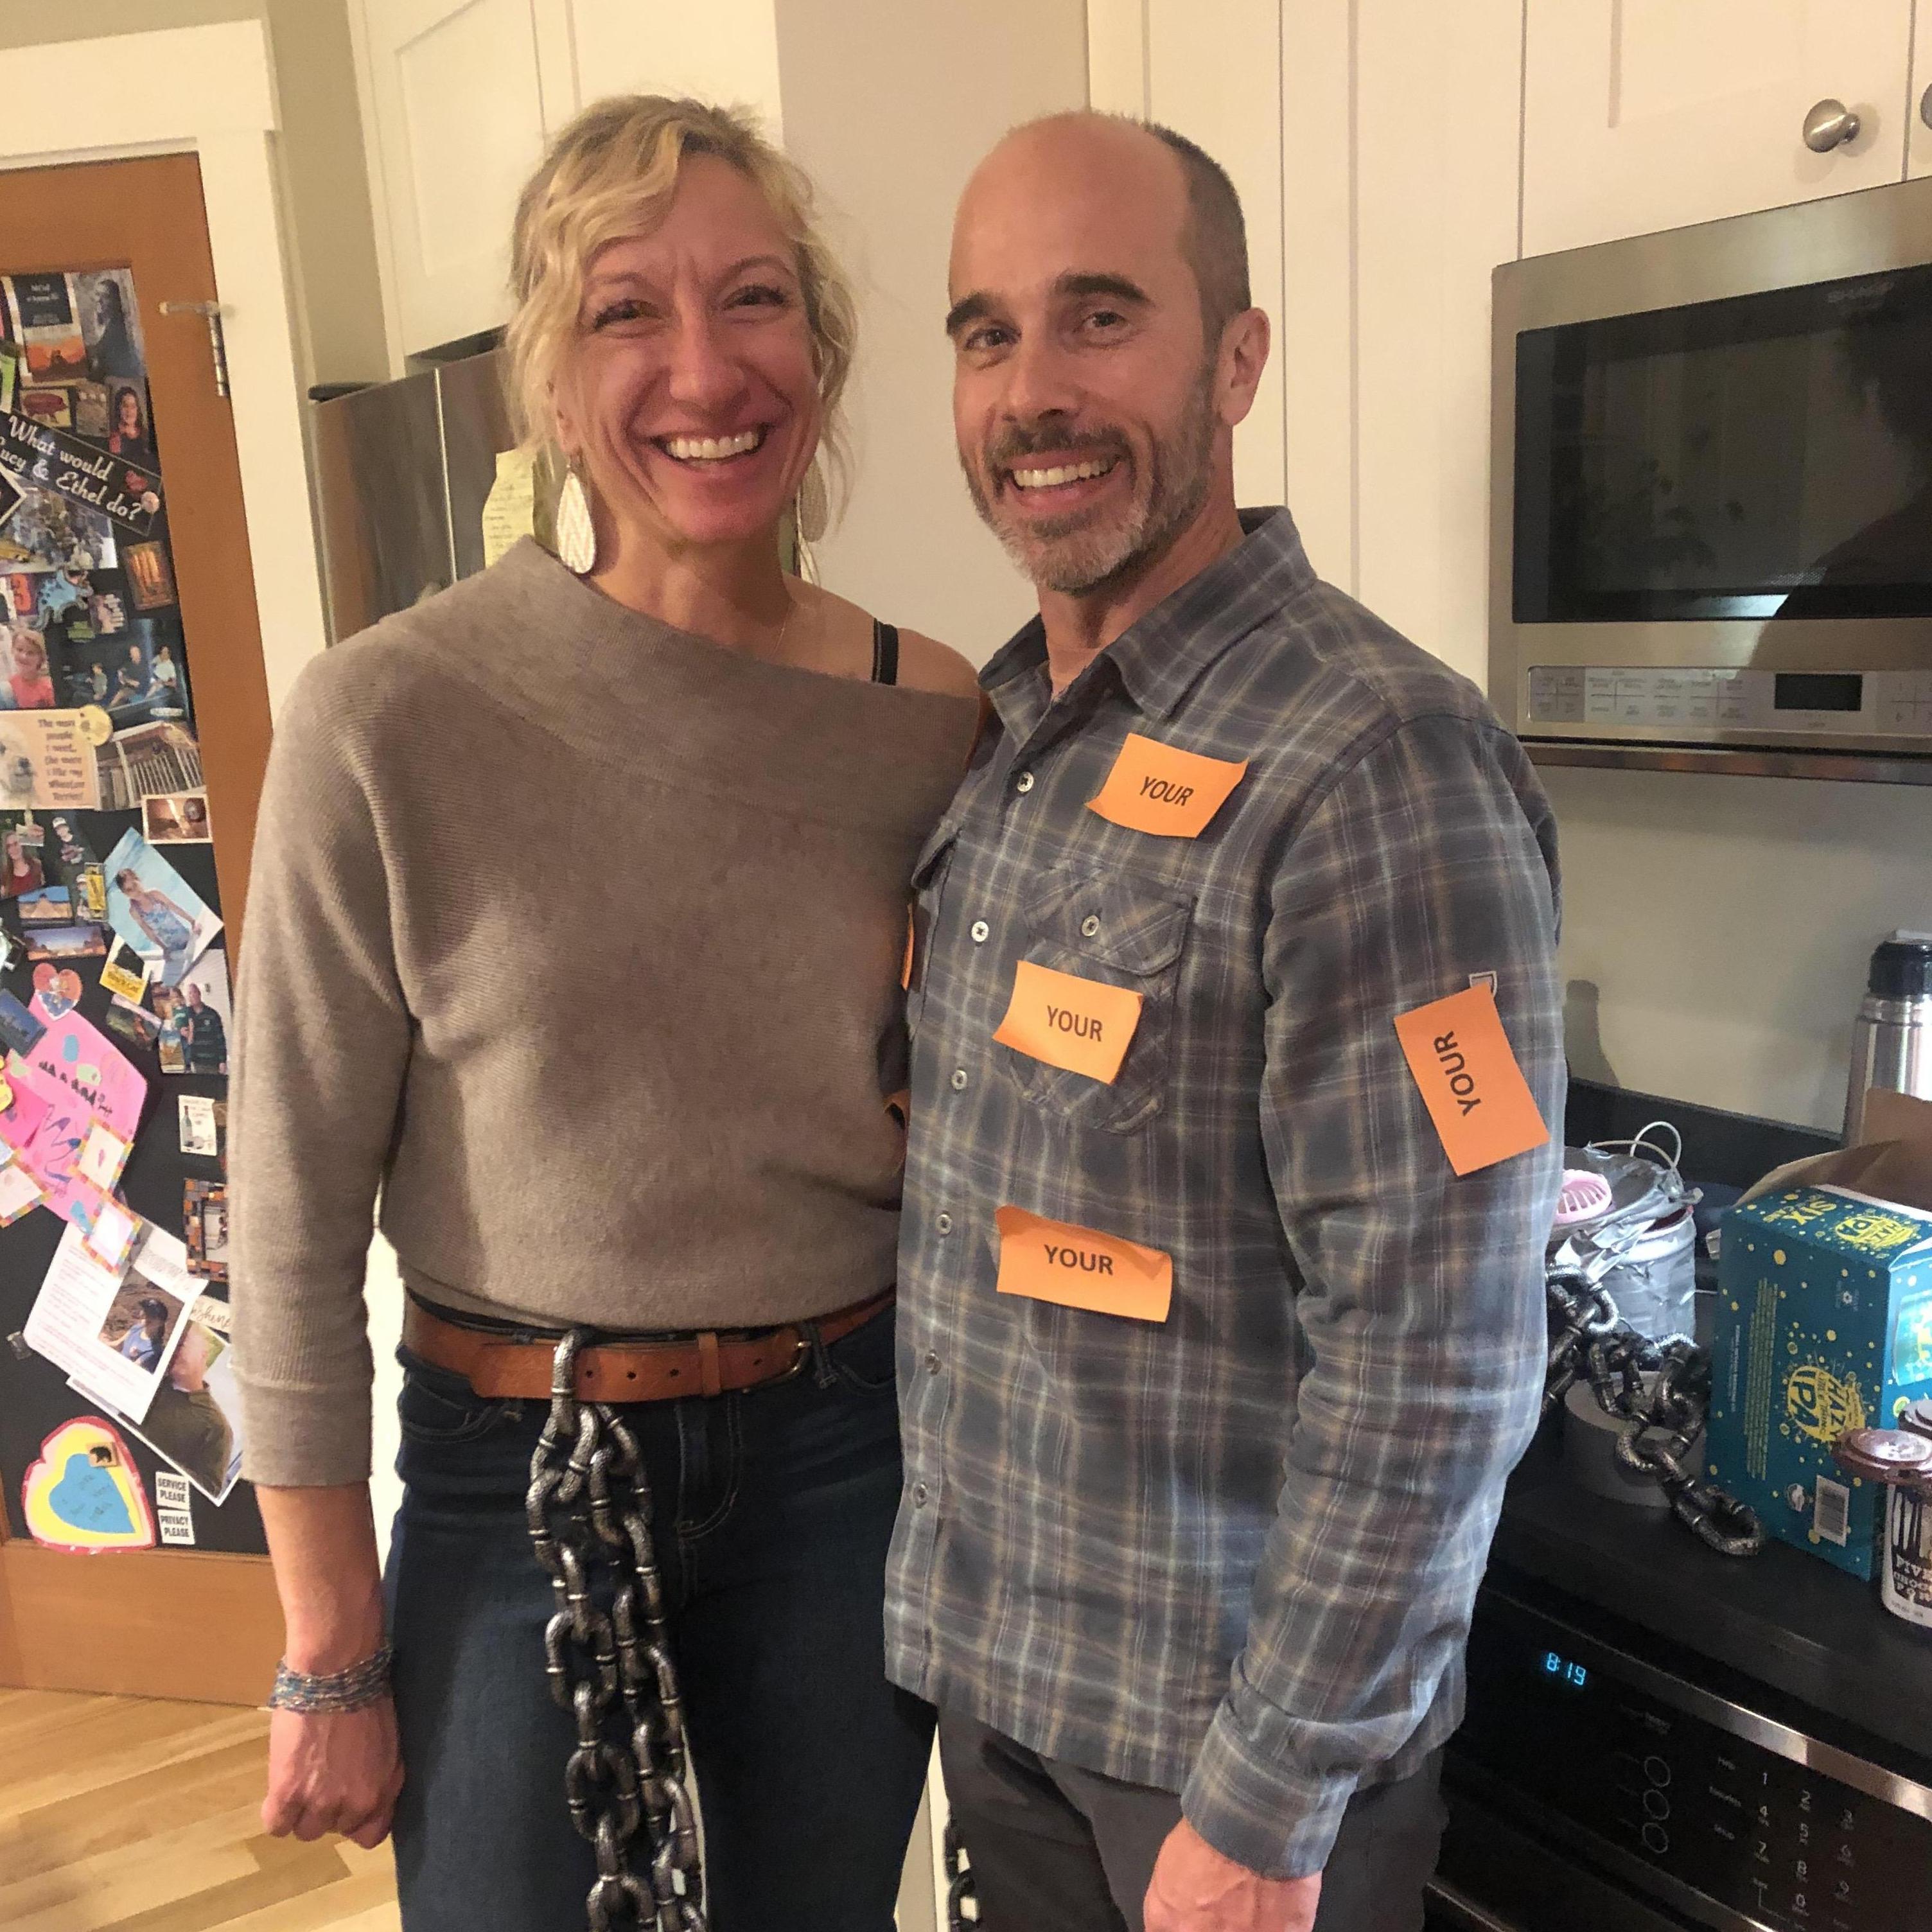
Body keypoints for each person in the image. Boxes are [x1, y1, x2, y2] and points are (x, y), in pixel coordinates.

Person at [229, 94, 982, 1932]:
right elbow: (292, 1207)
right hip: (516, 1477)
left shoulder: (930, 716)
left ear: (820, 353)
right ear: (549, 387)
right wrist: (328, 1645)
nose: (703, 367)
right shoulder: (390, 717)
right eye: (625, 311)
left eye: (755, 301)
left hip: (844, 1458)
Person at [889, 114, 1564, 1932]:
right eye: (986, 333)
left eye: (1099, 318)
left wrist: (1269, 1807)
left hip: (1231, 1768)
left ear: (1239, 357)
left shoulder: (1380, 764)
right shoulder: (1030, 738)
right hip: (1022, 1695)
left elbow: (1446, 1346)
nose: (1034, 391)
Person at [139, 1320, 236, 1496]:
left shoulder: (217, 1427)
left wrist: (157, 1462)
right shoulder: (151, 1381)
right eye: (173, 1344)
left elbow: (209, 1489)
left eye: (183, 1344)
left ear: (203, 1356)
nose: (176, 1351)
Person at [113, 868, 198, 984]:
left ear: (138, 880)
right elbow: (148, 931)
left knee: (196, 963)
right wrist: (163, 948)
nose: (135, 891)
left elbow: (174, 907)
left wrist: (192, 921)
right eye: (129, 890)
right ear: (125, 894)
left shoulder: (155, 894)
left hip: (183, 935)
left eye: (134, 884)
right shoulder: (134, 911)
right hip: (170, 946)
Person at [182, 980, 227, 1075]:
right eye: (190, 993)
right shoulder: (185, 1015)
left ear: (199, 994)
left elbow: (220, 1039)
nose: (193, 995)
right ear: (188, 997)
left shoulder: (212, 1014)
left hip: (213, 1063)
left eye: (195, 992)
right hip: (196, 1063)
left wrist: (222, 1061)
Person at [117, 1297, 172, 1373]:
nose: (147, 1316)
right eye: (146, 1311)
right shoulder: (136, 1328)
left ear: (161, 1323)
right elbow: (117, 1344)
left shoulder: (154, 1350)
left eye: (153, 1315)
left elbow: (132, 1369)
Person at [8, 629, 55, 708]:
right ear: (12, 649)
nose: (24, 656)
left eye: (31, 653)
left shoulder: (49, 688)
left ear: (41, 658)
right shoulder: (10, 685)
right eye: (20, 650)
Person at [107, 384, 154, 464]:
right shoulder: (111, 437)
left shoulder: (147, 436)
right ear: (119, 409)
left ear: (137, 409)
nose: (129, 411)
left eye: (133, 407)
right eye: (125, 406)